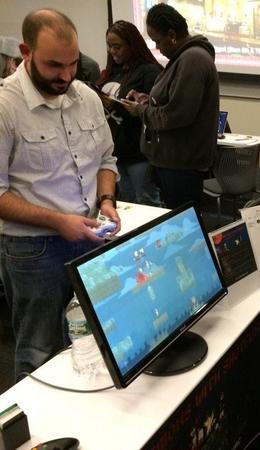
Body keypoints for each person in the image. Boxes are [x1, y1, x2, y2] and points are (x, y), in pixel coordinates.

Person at [0, 8, 120, 380]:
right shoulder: (5, 107)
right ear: (26, 52)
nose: (66, 76)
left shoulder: (85, 97)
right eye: (54, 65)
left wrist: (106, 201)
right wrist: (58, 222)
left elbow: (106, 160)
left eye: (73, 64)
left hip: (89, 237)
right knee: (38, 350)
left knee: (93, 341)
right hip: (33, 250)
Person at [124, 3, 219, 209]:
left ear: (172, 35)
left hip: (182, 164)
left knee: (183, 222)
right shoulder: (183, 58)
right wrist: (147, 100)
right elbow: (174, 100)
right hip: (174, 161)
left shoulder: (192, 59)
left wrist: (140, 111)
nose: (157, 48)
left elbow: (178, 114)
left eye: (158, 41)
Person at [97, 20, 162, 206]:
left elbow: (156, 111)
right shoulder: (112, 72)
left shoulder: (149, 71)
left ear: (131, 45)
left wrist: (121, 106)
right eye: (109, 46)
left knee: (147, 201)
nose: (112, 51)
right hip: (116, 151)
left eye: (117, 46)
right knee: (126, 202)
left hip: (139, 153)